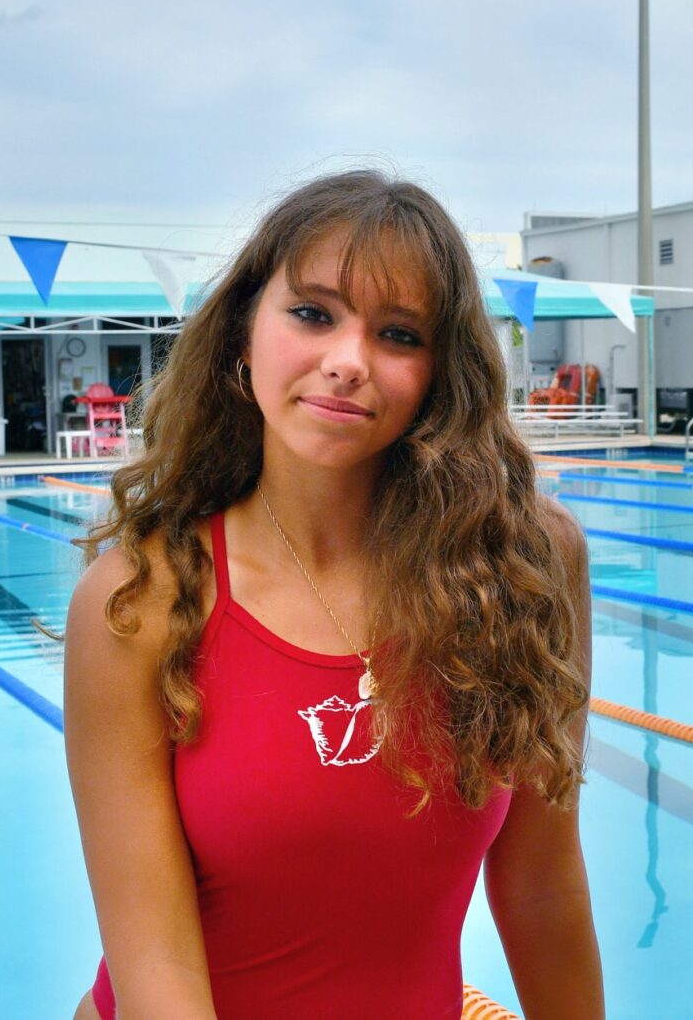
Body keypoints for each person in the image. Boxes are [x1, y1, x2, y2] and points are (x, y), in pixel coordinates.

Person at [65, 170, 604, 1020]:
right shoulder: (141, 602)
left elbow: (541, 887)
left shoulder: (524, 569)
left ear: (441, 371)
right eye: (313, 313)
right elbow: (157, 965)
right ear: (245, 333)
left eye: (398, 333)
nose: (347, 361)